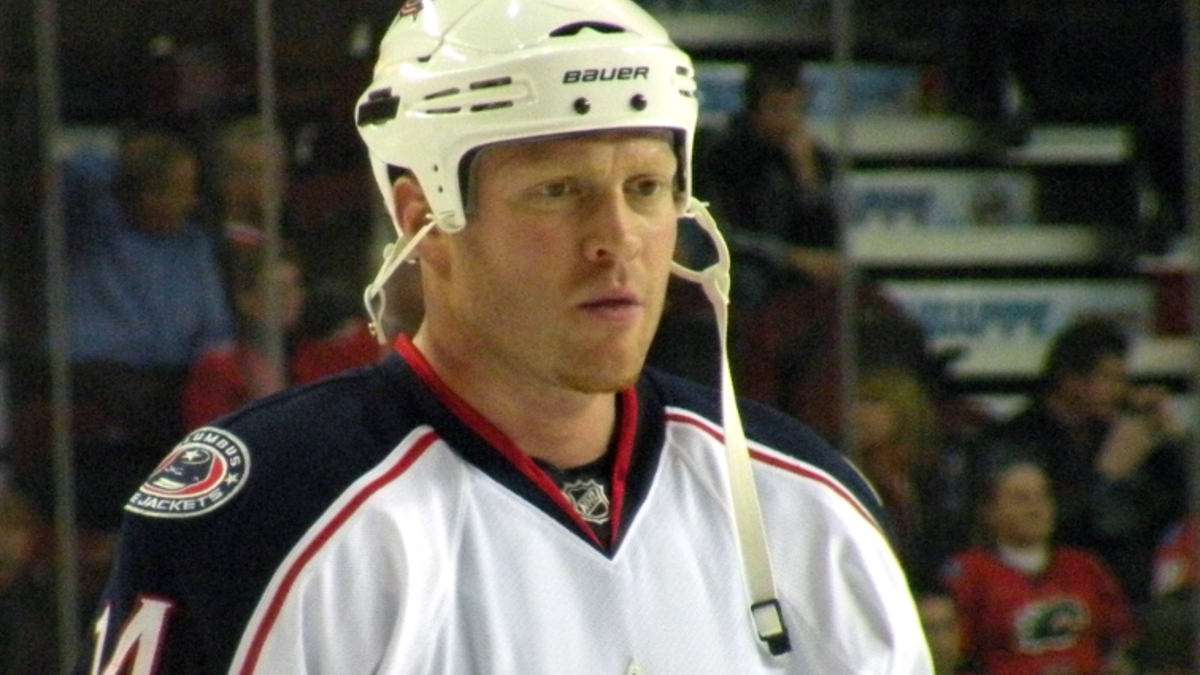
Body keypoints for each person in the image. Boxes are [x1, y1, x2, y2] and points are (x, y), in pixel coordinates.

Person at [78, 1, 932, 673]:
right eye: (558, 191)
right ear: (422, 216)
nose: (617, 238)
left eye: (646, 187)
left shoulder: (805, 504)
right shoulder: (266, 513)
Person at [12, 130, 234, 534]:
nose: (189, 201)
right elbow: (73, 171)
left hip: (172, 389)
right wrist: (131, 162)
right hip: (95, 385)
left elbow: (214, 332)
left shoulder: (193, 245)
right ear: (141, 194)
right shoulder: (87, 229)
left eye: (190, 189)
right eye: (176, 189)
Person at [968, 315, 1189, 608]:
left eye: (1122, 379)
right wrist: (1105, 477)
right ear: (1070, 380)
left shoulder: (1117, 431)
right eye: (1108, 378)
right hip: (1046, 589)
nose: (1120, 390)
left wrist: (1167, 446)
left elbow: (1174, 506)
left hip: (1128, 590)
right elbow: (1041, 523)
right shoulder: (1015, 440)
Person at [940, 460, 1138, 675]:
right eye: (1021, 499)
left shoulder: (1084, 567)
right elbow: (955, 653)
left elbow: (1121, 640)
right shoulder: (969, 573)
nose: (1035, 508)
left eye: (1043, 497)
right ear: (989, 511)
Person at [181, 246, 307, 430]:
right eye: (279, 290)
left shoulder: (308, 357)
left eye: (296, 286)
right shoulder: (220, 367)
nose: (293, 298)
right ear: (246, 300)